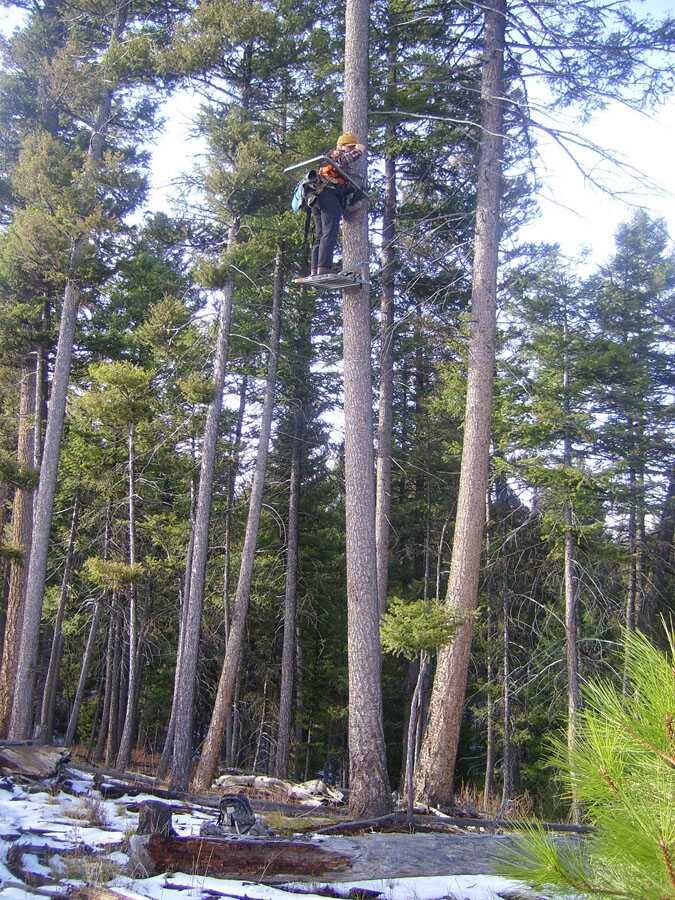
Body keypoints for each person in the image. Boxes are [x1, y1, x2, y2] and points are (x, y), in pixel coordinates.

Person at [308, 132, 365, 279]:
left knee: (320, 234)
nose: (351, 150)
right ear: (342, 146)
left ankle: (316, 268)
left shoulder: (330, 157)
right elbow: (344, 160)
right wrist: (359, 150)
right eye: (350, 147)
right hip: (327, 194)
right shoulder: (335, 155)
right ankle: (324, 268)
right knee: (330, 230)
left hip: (318, 196)